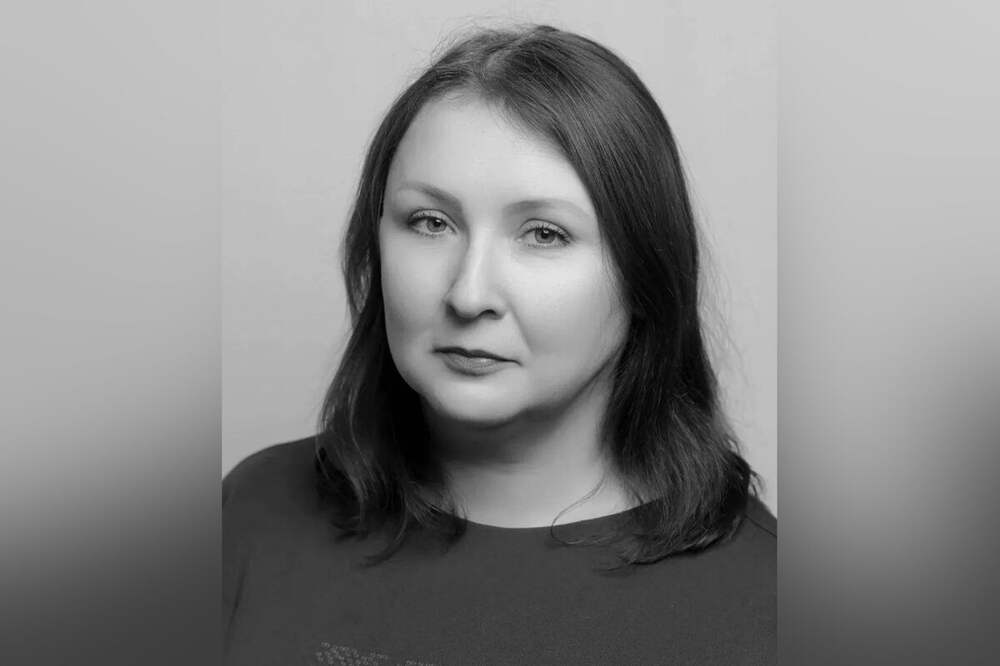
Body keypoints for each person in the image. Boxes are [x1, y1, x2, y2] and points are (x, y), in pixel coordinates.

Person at [223, 23, 775, 665]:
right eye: (431, 222)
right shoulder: (251, 514)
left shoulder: (768, 606)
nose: (469, 293)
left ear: (646, 271)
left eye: (544, 234)